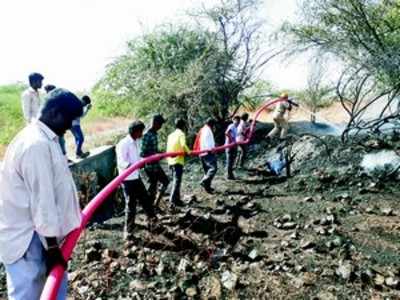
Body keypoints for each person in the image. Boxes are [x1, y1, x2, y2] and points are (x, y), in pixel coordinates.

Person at [0, 88, 84, 300]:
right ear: (55, 113)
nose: (70, 126)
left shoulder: (46, 139)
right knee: (31, 294)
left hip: (42, 238)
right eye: (69, 120)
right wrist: (53, 249)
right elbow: (42, 201)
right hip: (31, 240)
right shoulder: (35, 144)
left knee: (51, 292)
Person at [116, 121, 157, 237]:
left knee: (146, 200)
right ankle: (128, 231)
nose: (142, 134)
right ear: (135, 131)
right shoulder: (123, 144)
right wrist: (133, 165)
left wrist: (141, 162)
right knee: (131, 205)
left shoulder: (136, 142)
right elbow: (121, 162)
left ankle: (153, 222)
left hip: (136, 177)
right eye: (141, 131)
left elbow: (138, 157)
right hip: (127, 180)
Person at [140, 114, 170, 205]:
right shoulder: (146, 135)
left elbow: (153, 150)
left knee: (165, 181)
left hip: (156, 165)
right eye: (160, 124)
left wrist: (159, 154)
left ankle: (155, 204)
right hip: (149, 166)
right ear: (155, 123)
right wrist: (155, 155)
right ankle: (150, 207)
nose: (161, 126)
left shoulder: (154, 134)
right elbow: (142, 153)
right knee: (152, 186)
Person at [166, 118, 191, 207]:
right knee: (177, 181)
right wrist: (189, 152)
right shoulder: (181, 134)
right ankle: (173, 200)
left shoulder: (170, 135)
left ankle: (177, 199)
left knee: (175, 180)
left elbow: (168, 148)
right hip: (178, 161)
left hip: (170, 160)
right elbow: (183, 145)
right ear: (183, 126)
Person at [194, 118, 218, 193]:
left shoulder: (203, 129)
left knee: (207, 171)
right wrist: (212, 150)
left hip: (202, 152)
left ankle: (207, 188)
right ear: (212, 124)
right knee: (213, 168)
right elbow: (208, 143)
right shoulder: (208, 130)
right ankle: (204, 181)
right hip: (207, 153)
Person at [225, 116, 240, 180]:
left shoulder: (236, 127)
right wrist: (232, 140)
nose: (237, 122)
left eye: (238, 121)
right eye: (236, 121)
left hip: (233, 146)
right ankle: (229, 175)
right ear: (233, 120)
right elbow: (226, 133)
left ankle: (230, 174)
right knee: (230, 161)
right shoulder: (232, 126)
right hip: (229, 146)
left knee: (232, 160)